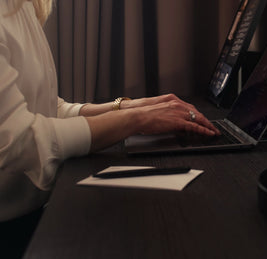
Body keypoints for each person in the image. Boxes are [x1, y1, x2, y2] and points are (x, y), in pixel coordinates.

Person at [0, 0, 220, 250]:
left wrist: (125, 108)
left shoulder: (20, 6)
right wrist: (136, 120)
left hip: (33, 216)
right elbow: (18, 141)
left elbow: (48, 109)